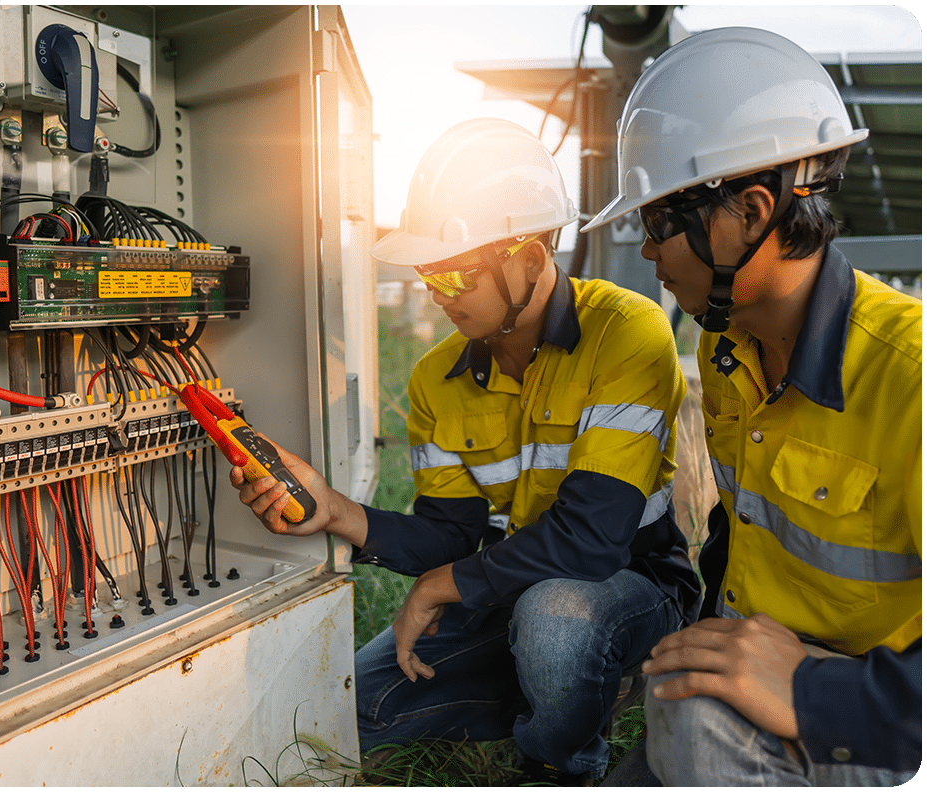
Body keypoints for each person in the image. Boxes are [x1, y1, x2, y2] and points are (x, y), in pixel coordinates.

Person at [229, 118, 701, 785]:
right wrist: (334, 510)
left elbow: (593, 538)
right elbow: (451, 536)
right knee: (350, 708)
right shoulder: (435, 379)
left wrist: (444, 586)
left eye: (456, 277)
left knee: (556, 621)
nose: (436, 295)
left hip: (631, 589)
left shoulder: (627, 334)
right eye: (428, 273)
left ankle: (560, 759)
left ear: (532, 260)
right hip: (509, 592)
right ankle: (548, 692)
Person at [584, 27, 921, 786]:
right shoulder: (725, 349)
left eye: (656, 224)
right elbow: (741, 530)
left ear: (750, 210)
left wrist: (809, 689)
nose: (647, 253)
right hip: (773, 658)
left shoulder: (912, 376)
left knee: (691, 713)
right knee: (680, 699)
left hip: (890, 709)